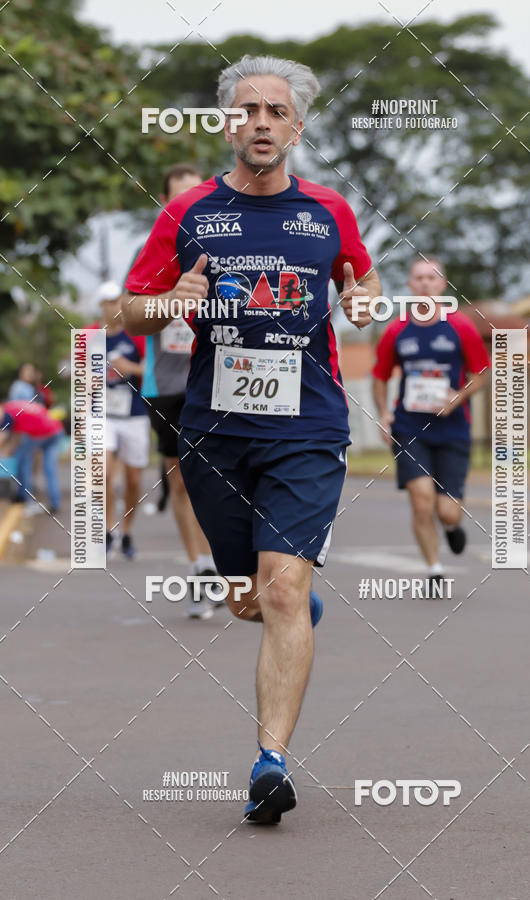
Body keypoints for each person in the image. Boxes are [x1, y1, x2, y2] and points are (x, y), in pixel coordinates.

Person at [122, 54, 379, 824]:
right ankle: (284, 604)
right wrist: (170, 297)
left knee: (282, 588)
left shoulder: (330, 210)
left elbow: (357, 281)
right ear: (227, 123)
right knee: (248, 602)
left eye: (276, 111)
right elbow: (127, 310)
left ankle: (270, 763)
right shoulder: (189, 213)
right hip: (214, 432)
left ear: (297, 127)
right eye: (247, 110)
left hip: (307, 423)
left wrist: (364, 300)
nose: (260, 122)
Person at [372, 257, 490, 592]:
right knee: (421, 498)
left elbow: (481, 374)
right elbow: (379, 376)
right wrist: (383, 413)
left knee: (447, 511)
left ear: (442, 284)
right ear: (410, 285)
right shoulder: (397, 329)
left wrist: (458, 397)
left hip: (453, 429)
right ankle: (434, 571)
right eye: (418, 278)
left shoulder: (460, 326)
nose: (424, 283)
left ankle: (452, 528)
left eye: (431, 278)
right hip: (410, 428)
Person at [135, 163, 219, 619]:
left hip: (223, 378)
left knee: (230, 475)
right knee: (183, 480)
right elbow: (128, 310)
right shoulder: (154, 250)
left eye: (196, 196)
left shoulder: (232, 245)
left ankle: (233, 558)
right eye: (178, 198)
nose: (187, 205)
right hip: (167, 384)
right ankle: (201, 567)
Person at [92, 282, 149, 559]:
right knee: (102, 472)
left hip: (134, 413)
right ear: (100, 306)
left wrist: (131, 368)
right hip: (103, 414)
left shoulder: (135, 334)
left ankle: (126, 531)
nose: (113, 307)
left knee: (133, 478)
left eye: (117, 301)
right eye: (107, 302)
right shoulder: (91, 334)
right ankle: (106, 530)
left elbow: (152, 372)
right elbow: (75, 374)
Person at [0, 399, 64, 514]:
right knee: (49, 469)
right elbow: (17, 437)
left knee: (23, 463)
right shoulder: (11, 406)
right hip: (56, 430)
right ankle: (55, 503)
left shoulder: (7, 415)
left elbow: (7, 438)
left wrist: (7, 452)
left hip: (41, 433)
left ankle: (25, 499)